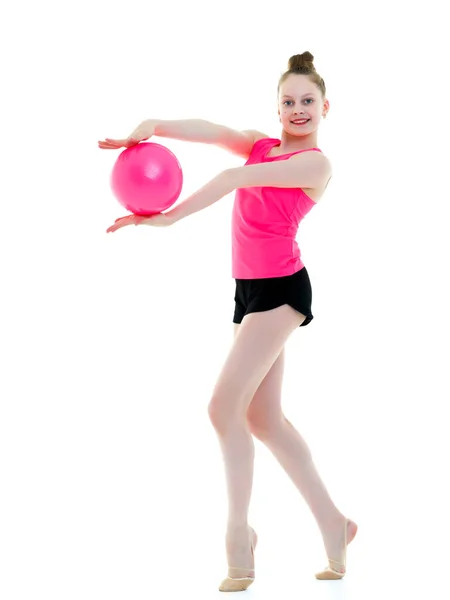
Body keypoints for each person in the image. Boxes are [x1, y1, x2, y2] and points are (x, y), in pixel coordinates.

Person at [98, 51, 358, 592]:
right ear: (278, 106)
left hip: (283, 291)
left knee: (222, 408)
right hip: (248, 292)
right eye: (288, 101)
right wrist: (156, 125)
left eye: (308, 101)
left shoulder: (316, 164)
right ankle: (335, 523)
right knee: (263, 420)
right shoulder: (264, 143)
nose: (297, 109)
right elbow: (218, 132)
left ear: (325, 106)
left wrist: (169, 217)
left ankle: (239, 536)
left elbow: (237, 174)